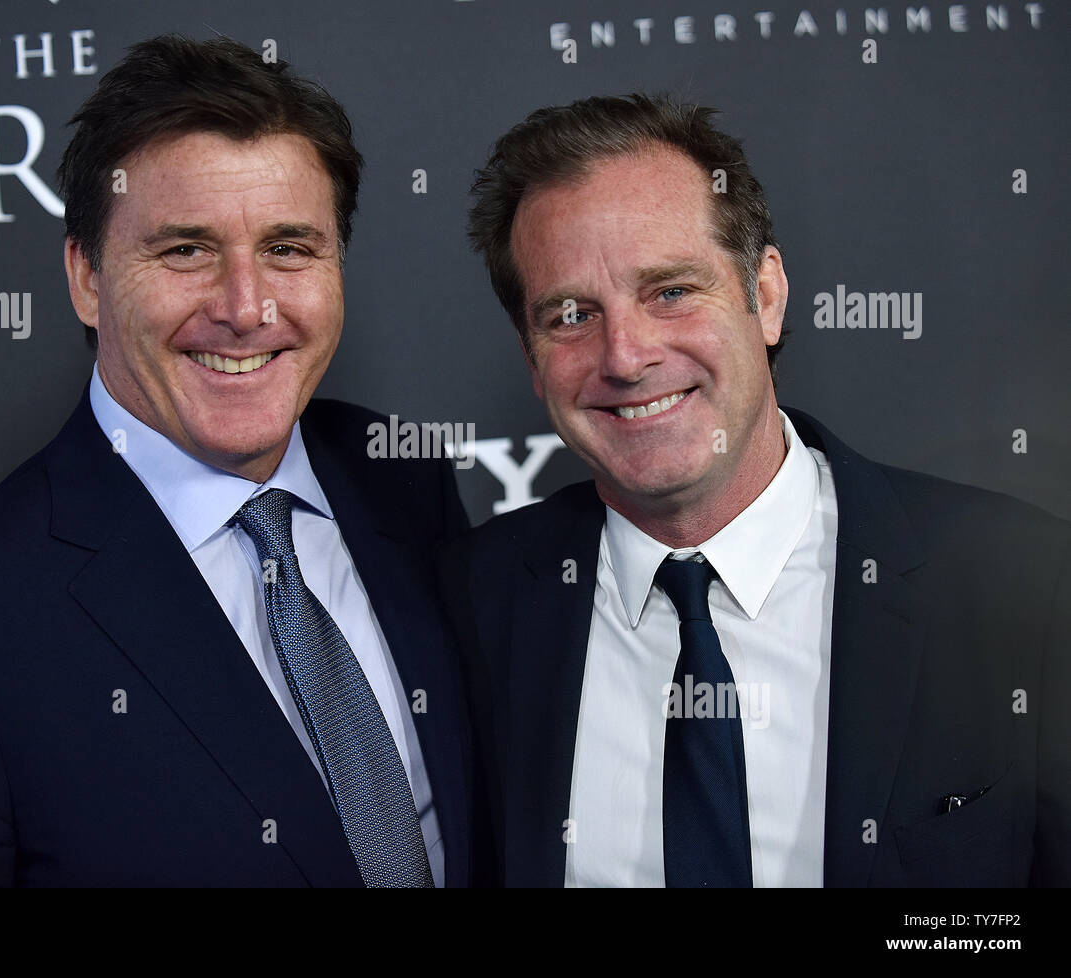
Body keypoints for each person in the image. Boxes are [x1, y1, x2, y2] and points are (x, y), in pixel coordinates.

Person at [0, 35, 479, 887]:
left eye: (290, 248)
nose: (245, 306)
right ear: (86, 276)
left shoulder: (403, 478)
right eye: (185, 249)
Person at [446, 93, 1070, 887]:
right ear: (533, 361)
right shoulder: (471, 604)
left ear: (765, 294)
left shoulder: (1024, 586)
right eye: (571, 314)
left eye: (670, 290)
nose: (626, 356)